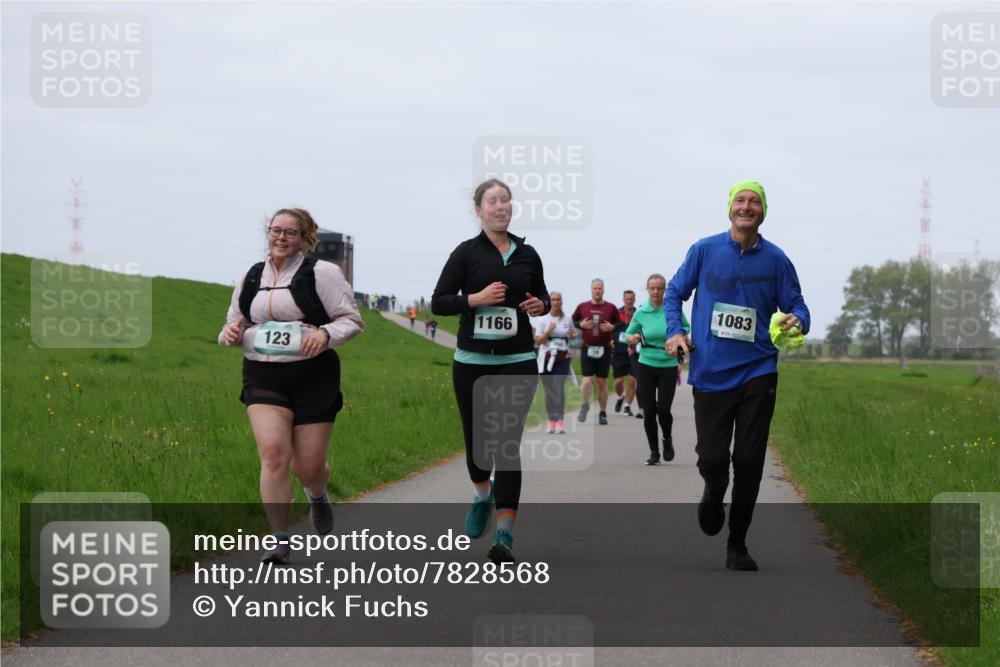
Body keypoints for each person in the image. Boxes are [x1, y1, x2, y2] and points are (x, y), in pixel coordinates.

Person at [664, 181, 810, 571]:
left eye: (754, 201)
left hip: (758, 370)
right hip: (710, 370)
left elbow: (797, 304)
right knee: (713, 458)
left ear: (763, 211)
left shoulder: (776, 259)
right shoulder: (704, 250)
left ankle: (737, 544)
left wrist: (799, 320)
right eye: (740, 200)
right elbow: (674, 292)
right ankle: (714, 490)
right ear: (730, 208)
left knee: (749, 460)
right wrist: (675, 331)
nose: (747, 206)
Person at [219, 208, 364, 563]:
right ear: (268, 233)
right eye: (276, 230)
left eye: (290, 232)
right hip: (263, 374)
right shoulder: (251, 275)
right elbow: (233, 324)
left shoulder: (322, 273)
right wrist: (230, 334)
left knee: (308, 467)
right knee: (273, 454)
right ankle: (279, 539)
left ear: (304, 239)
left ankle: (317, 492)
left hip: (314, 375)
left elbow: (351, 320)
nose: (281, 237)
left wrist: (325, 334)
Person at [432, 179, 549, 563]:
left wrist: (540, 305)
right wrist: (475, 299)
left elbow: (543, 295)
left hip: (518, 360)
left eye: (505, 200)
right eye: (492, 201)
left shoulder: (527, 254)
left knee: (506, 445)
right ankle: (482, 493)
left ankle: (504, 533)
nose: (500, 206)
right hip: (473, 363)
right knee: (478, 447)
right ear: (479, 210)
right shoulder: (466, 253)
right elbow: (439, 302)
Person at [626, 274, 690, 465]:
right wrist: (633, 338)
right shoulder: (641, 312)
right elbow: (628, 333)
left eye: (659, 288)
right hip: (646, 364)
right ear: (647, 290)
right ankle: (654, 452)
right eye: (652, 288)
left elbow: (685, 327)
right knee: (649, 410)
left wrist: (679, 339)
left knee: (663, 410)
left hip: (668, 365)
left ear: (664, 290)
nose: (656, 291)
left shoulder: (671, 310)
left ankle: (667, 439)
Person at [571, 279, 620, 425]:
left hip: (604, 349)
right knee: (586, 380)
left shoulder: (611, 307)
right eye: (595, 288)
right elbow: (571, 322)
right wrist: (580, 324)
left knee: (601, 383)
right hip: (587, 348)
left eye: (600, 288)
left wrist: (613, 327)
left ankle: (603, 413)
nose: (597, 291)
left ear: (603, 290)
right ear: (591, 290)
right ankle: (585, 404)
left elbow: (620, 324)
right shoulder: (582, 306)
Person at [533, 291, 575, 434]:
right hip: (546, 358)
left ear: (561, 302)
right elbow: (538, 341)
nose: (556, 302)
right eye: (553, 299)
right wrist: (548, 331)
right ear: (550, 302)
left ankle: (560, 421)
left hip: (563, 358)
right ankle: (551, 420)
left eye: (558, 299)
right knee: (549, 390)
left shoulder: (567, 319)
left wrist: (572, 335)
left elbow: (573, 334)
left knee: (558, 387)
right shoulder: (542, 320)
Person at [611, 290, 639, 417]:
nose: (629, 301)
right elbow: (610, 329)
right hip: (618, 351)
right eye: (627, 299)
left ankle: (627, 406)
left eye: (631, 299)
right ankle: (620, 397)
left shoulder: (639, 313)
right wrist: (610, 340)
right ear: (623, 300)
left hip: (633, 352)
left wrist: (635, 346)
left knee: (632, 381)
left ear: (634, 299)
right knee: (618, 382)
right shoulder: (616, 313)